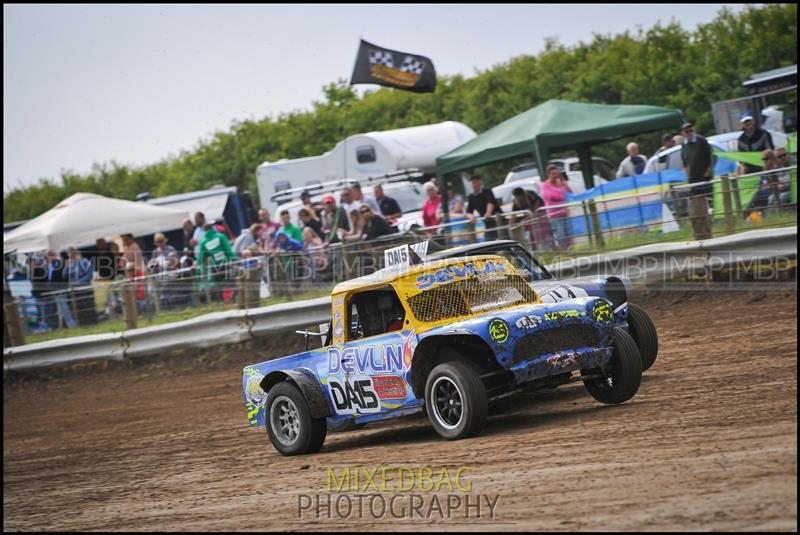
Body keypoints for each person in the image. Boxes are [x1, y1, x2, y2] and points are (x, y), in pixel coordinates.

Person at [680, 122, 714, 240]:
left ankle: (712, 220)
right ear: (683, 134)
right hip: (692, 178)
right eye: (686, 131)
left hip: (704, 176)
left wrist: (709, 169)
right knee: (696, 201)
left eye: (690, 130)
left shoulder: (701, 140)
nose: (689, 133)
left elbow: (710, 155)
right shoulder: (684, 145)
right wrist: (687, 172)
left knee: (709, 199)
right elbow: (684, 161)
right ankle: (702, 222)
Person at [197, 221, 236, 302]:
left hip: (215, 268)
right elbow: (228, 250)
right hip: (226, 264)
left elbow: (201, 257)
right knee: (231, 283)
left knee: (220, 286)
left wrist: (197, 264)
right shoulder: (220, 236)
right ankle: (233, 299)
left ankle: (223, 302)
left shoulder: (203, 242)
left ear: (204, 231)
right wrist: (233, 260)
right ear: (212, 228)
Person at [539, 165, 573, 250]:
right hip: (554, 214)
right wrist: (562, 197)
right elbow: (549, 196)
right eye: (553, 174)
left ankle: (570, 248)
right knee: (560, 233)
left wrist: (564, 183)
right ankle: (565, 249)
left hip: (565, 212)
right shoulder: (545, 185)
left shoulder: (561, 183)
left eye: (556, 173)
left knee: (568, 231)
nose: (555, 176)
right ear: (548, 174)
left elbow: (569, 193)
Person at [44, 250, 75, 330]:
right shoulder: (49, 265)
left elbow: (60, 277)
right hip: (55, 292)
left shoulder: (57, 263)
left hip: (60, 290)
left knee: (65, 310)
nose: (50, 257)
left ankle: (72, 326)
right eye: (48, 255)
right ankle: (64, 326)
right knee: (60, 311)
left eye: (51, 255)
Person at [66, 247, 96, 326]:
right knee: (79, 308)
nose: (71, 255)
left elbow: (89, 275)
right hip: (75, 291)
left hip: (85, 289)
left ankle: (92, 323)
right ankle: (82, 324)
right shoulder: (70, 264)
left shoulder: (84, 262)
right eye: (69, 253)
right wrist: (66, 266)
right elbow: (64, 276)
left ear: (76, 252)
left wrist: (77, 282)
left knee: (88, 307)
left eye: (72, 253)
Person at [466, 175, 502, 241]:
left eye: (475, 182)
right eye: (472, 183)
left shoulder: (487, 191)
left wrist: (488, 212)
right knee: (489, 241)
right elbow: (468, 212)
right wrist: (471, 217)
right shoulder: (471, 197)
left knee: (504, 239)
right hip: (488, 223)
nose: (474, 185)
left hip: (499, 220)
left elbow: (490, 202)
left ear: (480, 183)